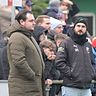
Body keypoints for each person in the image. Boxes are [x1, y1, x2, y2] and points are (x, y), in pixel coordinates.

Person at [7, 10, 45, 96]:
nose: (34, 23)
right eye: (31, 21)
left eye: (34, 20)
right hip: (23, 88)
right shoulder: (17, 37)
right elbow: (19, 61)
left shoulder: (28, 36)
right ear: (22, 22)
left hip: (32, 86)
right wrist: (33, 76)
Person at [55, 16, 96, 96]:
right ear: (74, 28)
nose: (80, 28)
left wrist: (92, 74)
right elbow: (59, 62)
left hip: (86, 88)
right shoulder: (66, 43)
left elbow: (93, 62)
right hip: (70, 87)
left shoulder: (88, 44)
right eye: (78, 26)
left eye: (83, 26)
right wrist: (71, 74)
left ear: (86, 29)